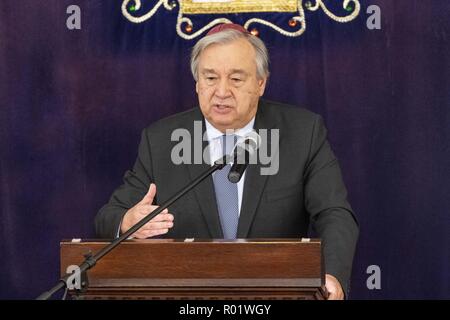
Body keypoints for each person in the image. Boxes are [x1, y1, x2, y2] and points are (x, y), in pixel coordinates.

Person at [95, 23, 359, 299]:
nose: (221, 92)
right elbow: (108, 217)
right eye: (210, 78)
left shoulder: (303, 132)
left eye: (236, 79)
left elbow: (335, 214)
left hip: (276, 292)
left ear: (260, 83)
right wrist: (127, 221)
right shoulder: (161, 140)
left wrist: (331, 276)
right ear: (197, 83)